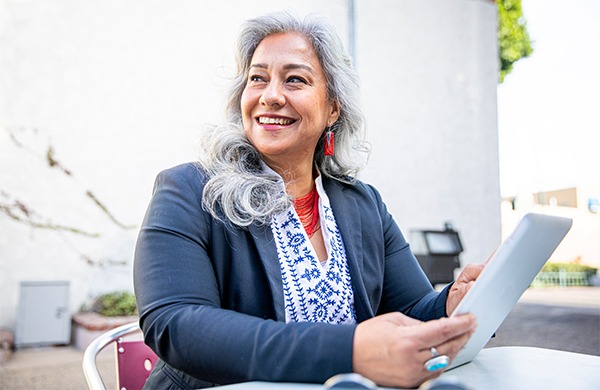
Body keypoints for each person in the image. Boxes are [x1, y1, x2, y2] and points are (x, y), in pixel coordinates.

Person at [133, 11, 484, 389]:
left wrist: (453, 303)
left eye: (295, 79)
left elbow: (412, 311)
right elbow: (176, 324)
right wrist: (349, 351)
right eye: (258, 79)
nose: (271, 96)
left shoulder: (363, 204)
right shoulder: (189, 190)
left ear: (333, 106)